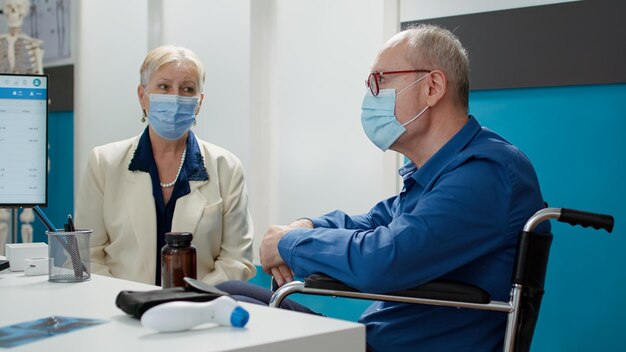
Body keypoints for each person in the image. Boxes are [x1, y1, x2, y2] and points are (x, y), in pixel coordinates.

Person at [216, 24, 550, 351]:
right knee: (225, 291)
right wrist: (306, 226)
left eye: (379, 81)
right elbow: (369, 222)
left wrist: (289, 243)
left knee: (230, 307)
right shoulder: (436, 174)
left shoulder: (486, 174)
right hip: (373, 339)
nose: (369, 97)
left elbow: (384, 259)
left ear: (432, 87)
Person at [75, 45, 256, 286]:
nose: (176, 97)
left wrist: (189, 300)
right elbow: (86, 255)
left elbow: (236, 262)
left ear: (199, 102)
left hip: (198, 309)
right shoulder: (104, 163)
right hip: (119, 309)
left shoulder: (227, 168)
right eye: (164, 87)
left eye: (187, 89)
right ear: (142, 95)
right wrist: (128, 302)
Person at [0, 0, 44, 74]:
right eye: (9, 7)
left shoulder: (33, 44)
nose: (13, 10)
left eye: (18, 7)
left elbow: (39, 74)